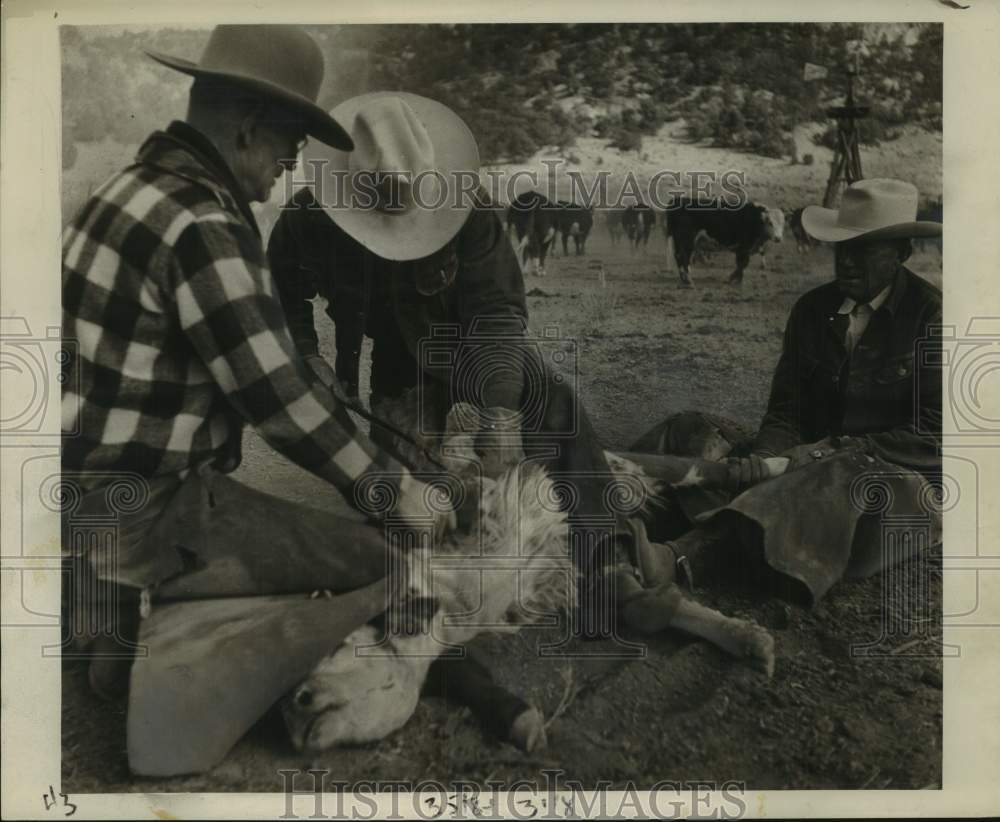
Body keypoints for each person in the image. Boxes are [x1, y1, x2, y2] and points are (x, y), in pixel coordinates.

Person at [60, 25, 462, 755]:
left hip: (81, 498)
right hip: (157, 511)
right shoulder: (202, 222)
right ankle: (184, 680)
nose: (291, 164)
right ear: (247, 129)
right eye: (289, 144)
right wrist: (389, 489)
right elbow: (275, 399)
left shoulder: (120, 194)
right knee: (382, 563)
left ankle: (111, 618)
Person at [641, 178, 943, 603]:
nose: (847, 262)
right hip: (798, 466)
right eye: (842, 248)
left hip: (894, 486)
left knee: (835, 475)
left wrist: (824, 452)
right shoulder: (813, 310)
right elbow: (787, 410)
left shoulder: (933, 317)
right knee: (686, 429)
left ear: (901, 254)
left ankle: (681, 558)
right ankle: (610, 514)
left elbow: (936, 434)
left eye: (863, 249)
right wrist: (766, 455)